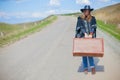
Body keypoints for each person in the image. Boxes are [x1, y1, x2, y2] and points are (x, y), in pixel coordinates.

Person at [75, 5, 97, 74]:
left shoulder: (93, 18)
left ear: (90, 11)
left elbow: (94, 26)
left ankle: (92, 67)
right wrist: (85, 33)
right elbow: (80, 27)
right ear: (83, 11)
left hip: (90, 38)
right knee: (84, 54)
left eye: (88, 11)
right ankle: (85, 68)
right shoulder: (80, 18)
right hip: (83, 37)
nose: (86, 12)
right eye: (85, 11)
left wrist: (90, 34)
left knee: (90, 53)